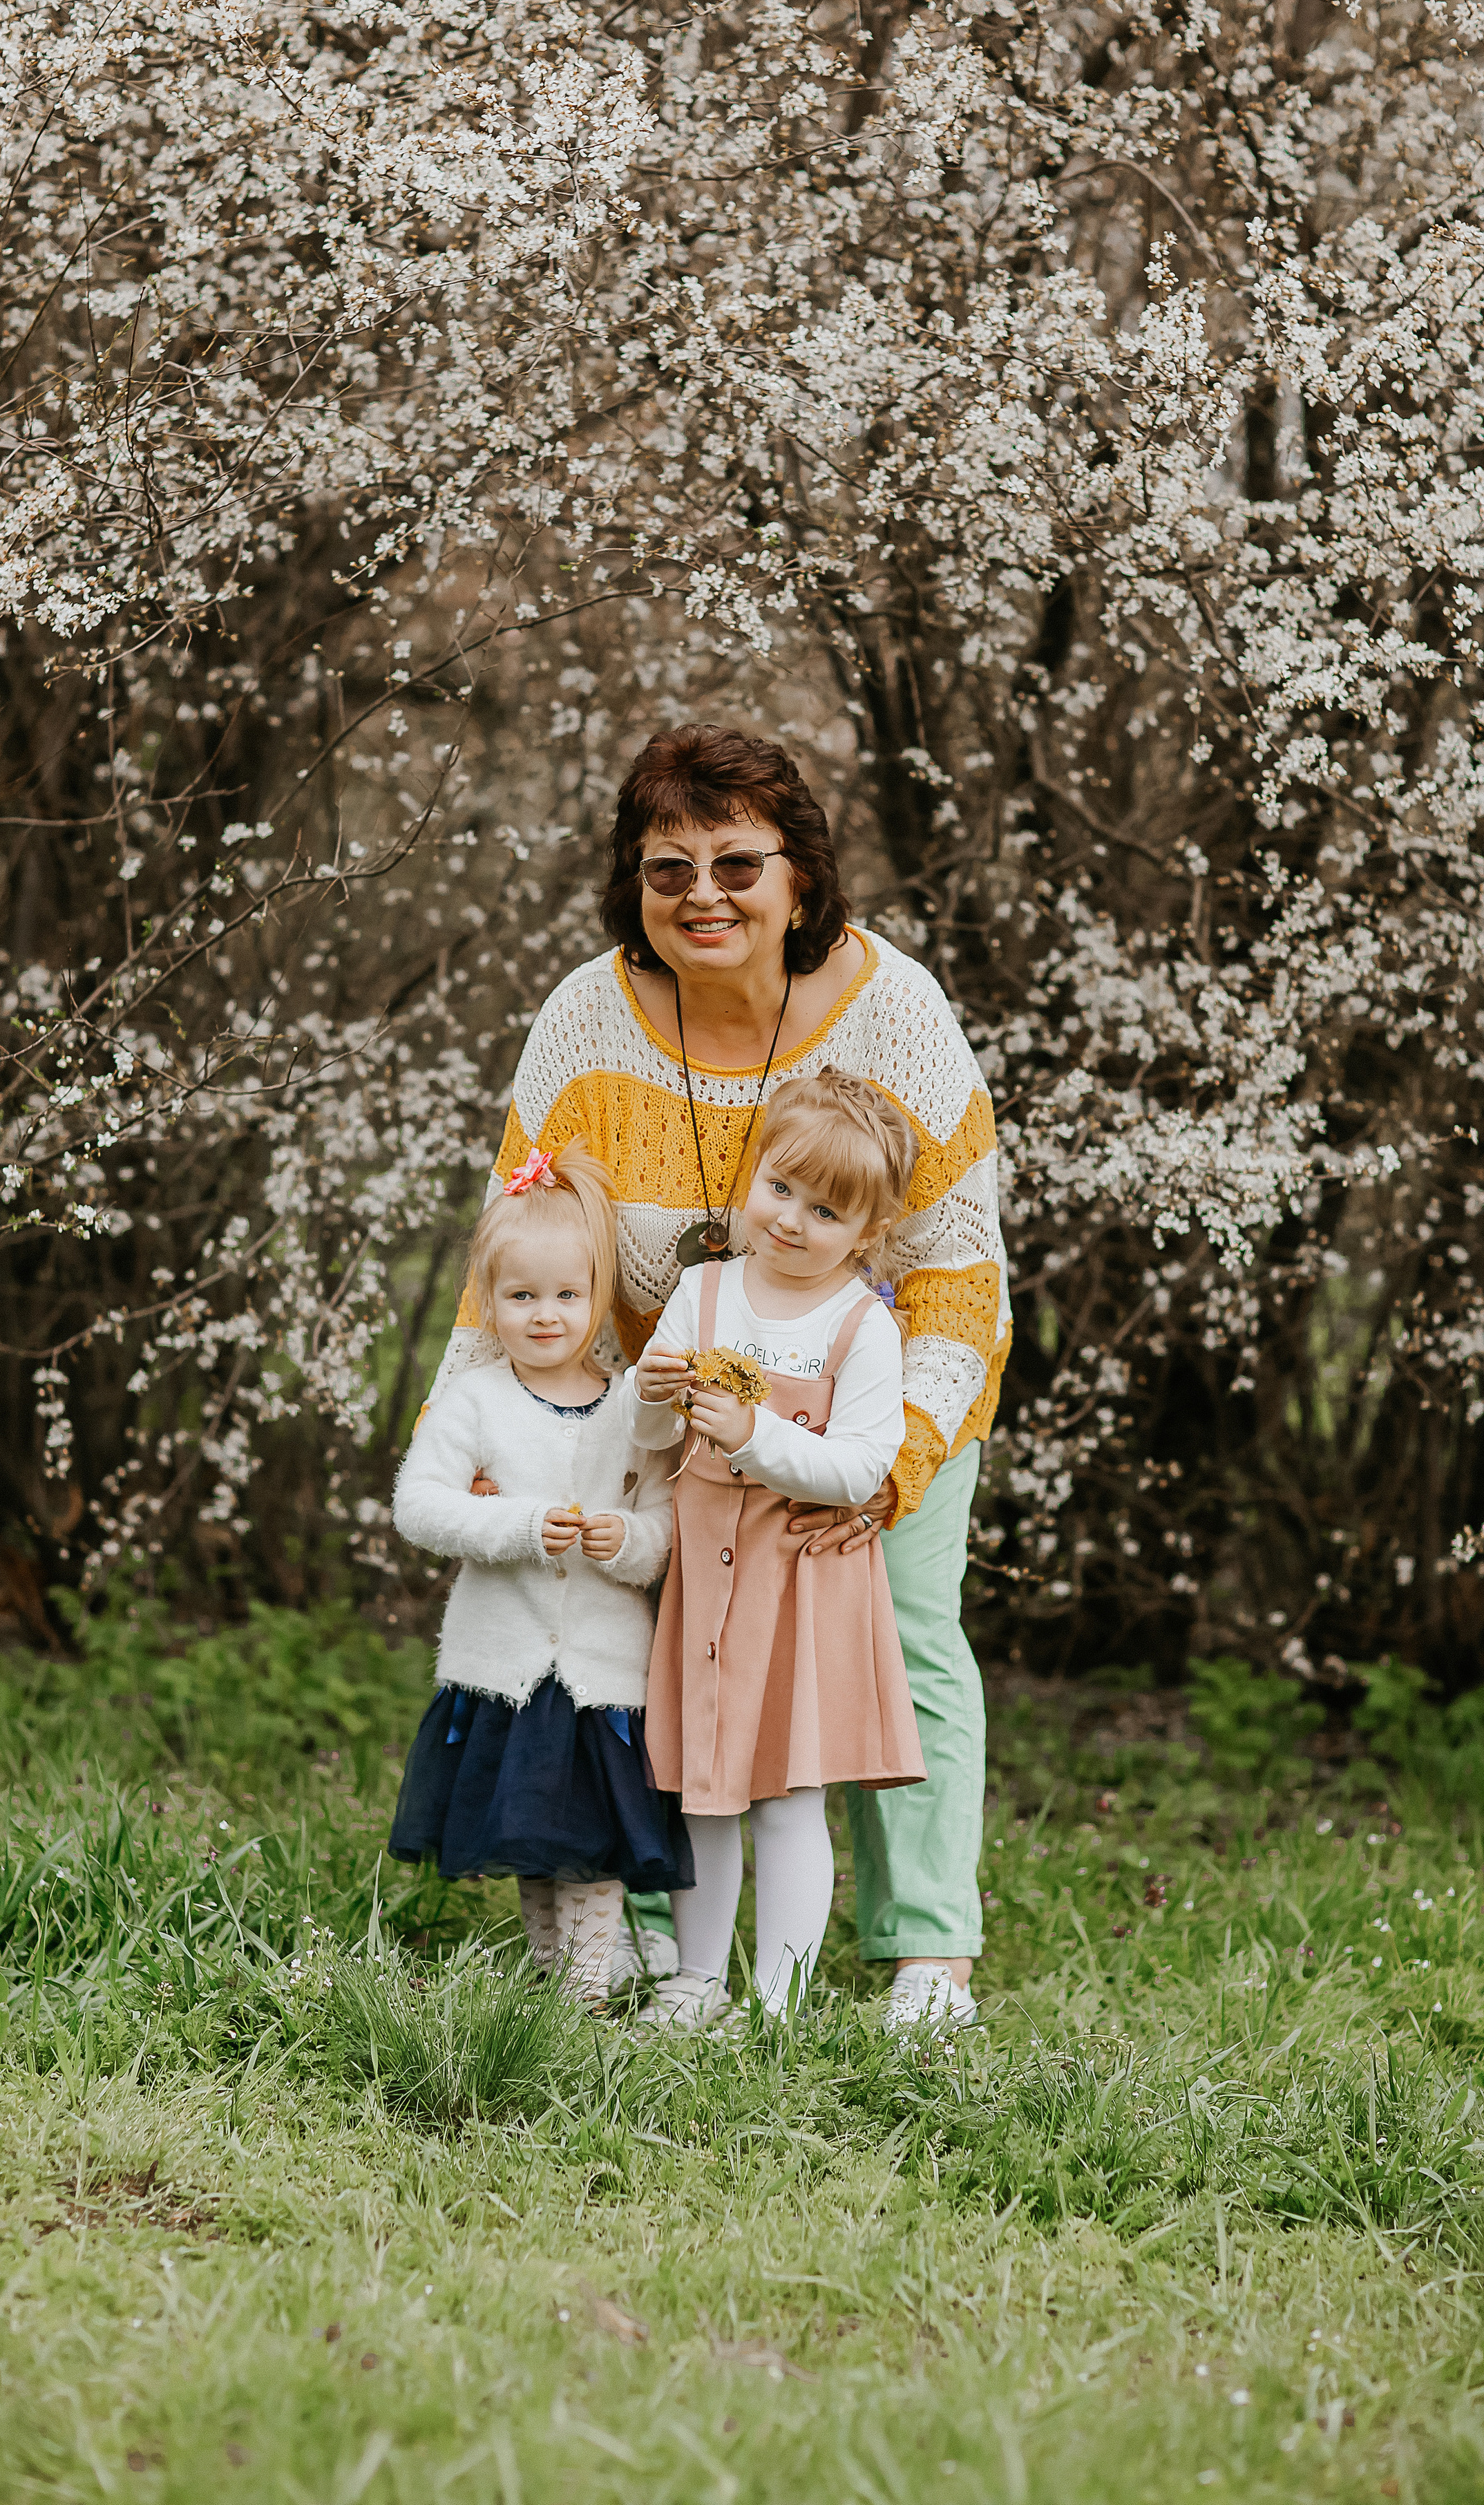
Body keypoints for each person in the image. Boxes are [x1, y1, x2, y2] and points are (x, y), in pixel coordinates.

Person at [428, 722, 1009, 2031]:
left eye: (738, 864)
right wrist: (481, 1423)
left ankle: (927, 1954)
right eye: (667, 867)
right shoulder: (585, 1022)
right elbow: (523, 1238)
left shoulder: (896, 1014)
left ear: (801, 877)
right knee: (655, 1650)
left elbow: (956, 1269)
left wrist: (899, 1456)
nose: (704, 895)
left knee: (899, 1637)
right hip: (679, 1408)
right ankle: (645, 1937)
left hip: (881, 1379)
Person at [628, 1068, 924, 2027]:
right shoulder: (705, 1293)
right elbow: (649, 1443)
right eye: (781, 1190)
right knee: (705, 1789)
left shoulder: (859, 1328)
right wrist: (651, 1394)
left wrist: (753, 1434)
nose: (793, 1221)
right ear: (753, 1179)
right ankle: (696, 1979)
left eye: (827, 1211)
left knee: (789, 1795)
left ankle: (780, 1997)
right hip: (707, 1583)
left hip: (798, 1584)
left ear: (866, 1234)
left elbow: (860, 1469)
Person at [388, 1141, 690, 2007]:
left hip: (602, 1674)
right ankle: (553, 1980)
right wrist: (522, 1523)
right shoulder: (476, 1399)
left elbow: (668, 1530)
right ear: (489, 1301)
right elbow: (421, 1506)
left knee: (590, 1842)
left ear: (599, 1299)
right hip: (505, 1666)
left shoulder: (634, 1405)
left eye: (567, 1295)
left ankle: (585, 1994)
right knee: (528, 1833)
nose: (546, 1316)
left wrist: (622, 1540)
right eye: (522, 1297)